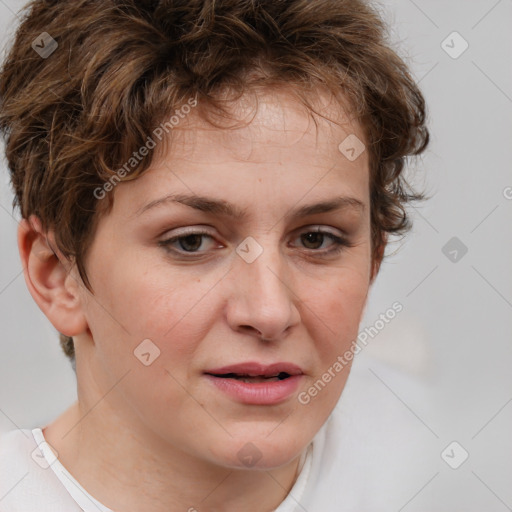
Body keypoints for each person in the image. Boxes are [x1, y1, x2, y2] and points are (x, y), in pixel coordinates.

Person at [0, 0, 429, 510]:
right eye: (191, 242)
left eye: (317, 239)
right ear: (58, 277)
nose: (269, 312)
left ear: (374, 258)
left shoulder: (431, 470)